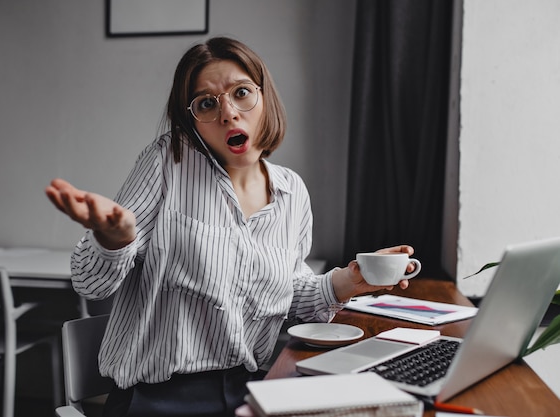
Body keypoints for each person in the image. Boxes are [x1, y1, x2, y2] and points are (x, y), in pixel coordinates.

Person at [45, 36, 415, 417]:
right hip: (159, 399)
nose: (228, 113)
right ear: (193, 122)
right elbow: (90, 284)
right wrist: (114, 238)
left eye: (241, 93)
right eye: (207, 103)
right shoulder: (166, 165)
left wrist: (351, 281)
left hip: (251, 388)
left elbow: (290, 292)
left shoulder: (292, 191)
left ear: (264, 96)